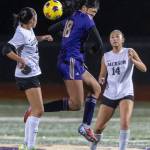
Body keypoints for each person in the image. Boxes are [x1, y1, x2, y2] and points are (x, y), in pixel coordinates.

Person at [24, 0, 104, 142]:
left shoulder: (73, 17)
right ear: (85, 8)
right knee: (76, 104)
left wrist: (68, 36)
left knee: (96, 89)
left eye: (95, 13)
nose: (93, 15)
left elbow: (52, 28)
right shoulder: (86, 19)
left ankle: (85, 126)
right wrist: (91, 51)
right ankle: (36, 108)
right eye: (92, 11)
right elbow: (99, 44)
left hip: (73, 60)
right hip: (71, 61)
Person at [2, 7, 53, 150]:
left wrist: (41, 38)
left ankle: (26, 145)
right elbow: (6, 49)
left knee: (36, 110)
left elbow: (30, 41)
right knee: (39, 111)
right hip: (26, 75)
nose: (37, 19)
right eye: (36, 17)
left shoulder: (27, 29)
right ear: (31, 20)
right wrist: (21, 60)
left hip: (32, 73)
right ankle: (29, 146)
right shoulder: (21, 33)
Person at [90, 30, 147, 150]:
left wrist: (134, 61)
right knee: (98, 127)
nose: (114, 39)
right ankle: (93, 148)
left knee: (125, 123)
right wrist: (100, 80)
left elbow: (144, 68)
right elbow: (102, 75)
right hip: (110, 94)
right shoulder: (106, 56)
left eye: (117, 37)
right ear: (110, 40)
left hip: (126, 92)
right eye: (112, 37)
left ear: (122, 39)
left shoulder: (129, 51)